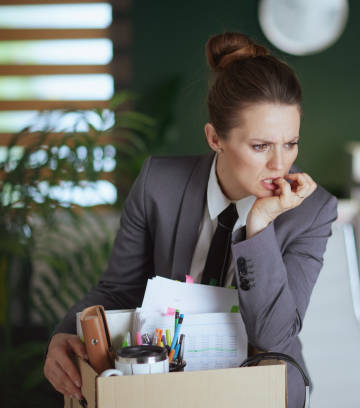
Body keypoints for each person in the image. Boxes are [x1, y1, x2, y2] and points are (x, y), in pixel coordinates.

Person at [43, 32, 337, 408]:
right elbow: (119, 288)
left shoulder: (312, 210)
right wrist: (64, 334)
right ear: (215, 138)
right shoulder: (158, 185)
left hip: (261, 390)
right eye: (260, 146)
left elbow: (274, 336)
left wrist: (259, 226)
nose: (280, 165)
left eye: (290, 143)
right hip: (166, 388)